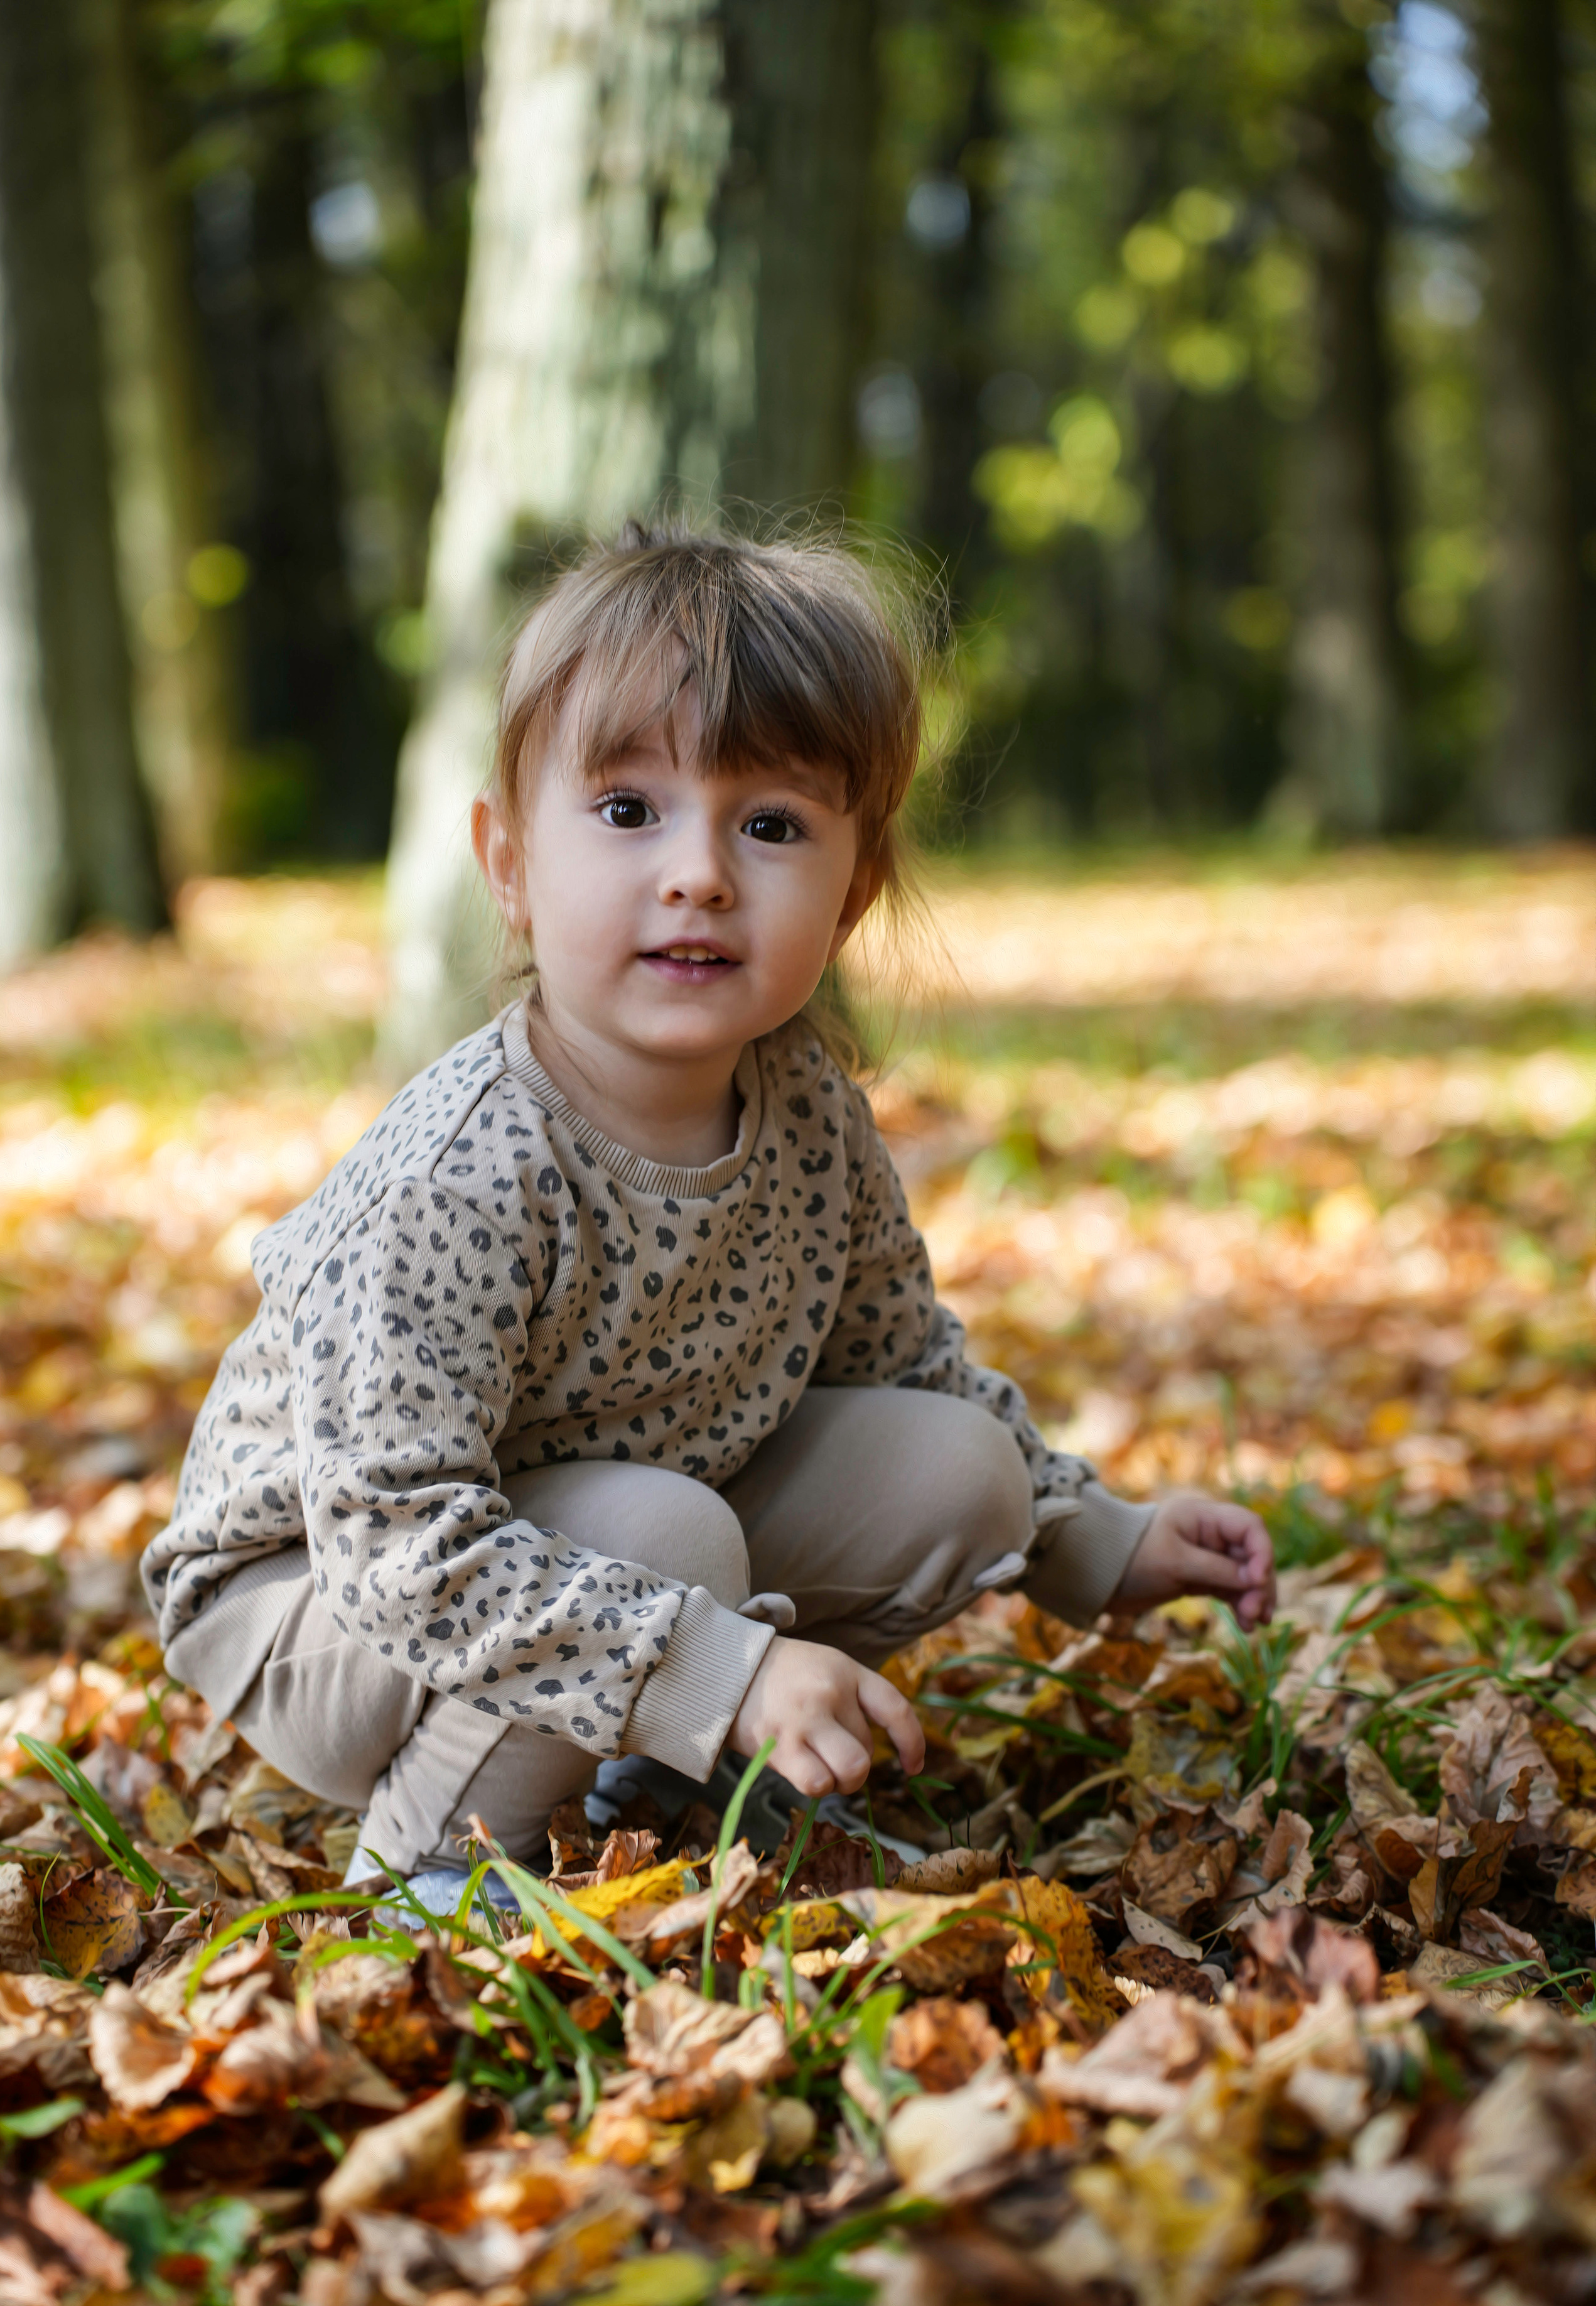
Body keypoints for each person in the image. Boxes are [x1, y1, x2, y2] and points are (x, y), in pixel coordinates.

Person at [143, 524, 1274, 1897]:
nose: (700, 874)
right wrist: (716, 1663)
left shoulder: (808, 1115)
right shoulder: (462, 1175)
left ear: (850, 897)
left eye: (771, 825)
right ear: (508, 861)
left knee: (955, 1469)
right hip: (317, 1603)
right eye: (629, 810)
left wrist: (1095, 1535)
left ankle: (674, 1781)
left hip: (620, 1522)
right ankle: (438, 1868)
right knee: (664, 1537)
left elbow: (901, 1361)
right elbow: (394, 1537)